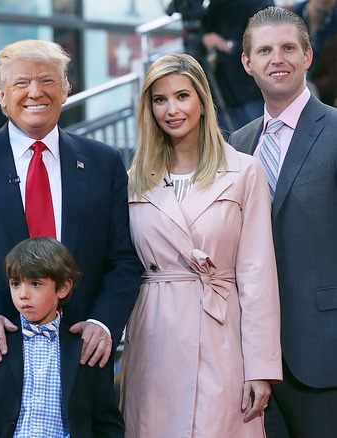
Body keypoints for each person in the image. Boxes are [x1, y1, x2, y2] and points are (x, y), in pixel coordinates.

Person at [0, 39, 142, 426]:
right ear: (1, 95)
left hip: (78, 375)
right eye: (21, 83)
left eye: (47, 81)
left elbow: (123, 259)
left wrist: (104, 324)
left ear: (66, 90)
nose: (35, 92)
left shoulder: (104, 163)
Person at [122, 52, 282, 438]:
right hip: (155, 336)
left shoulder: (245, 171)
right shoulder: (133, 179)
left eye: (182, 96)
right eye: (159, 99)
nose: (171, 109)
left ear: (202, 101)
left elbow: (258, 275)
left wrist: (260, 367)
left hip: (223, 335)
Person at [230, 6, 337, 437]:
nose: (278, 59)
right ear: (247, 63)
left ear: (308, 56)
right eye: (265, 50)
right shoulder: (237, 145)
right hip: (252, 361)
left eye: (289, 48)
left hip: (323, 353)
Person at [0, 237, 124, 438]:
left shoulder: (85, 347)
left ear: (63, 288)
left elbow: (107, 425)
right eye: (15, 284)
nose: (23, 294)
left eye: (35, 284)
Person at [201, 0, 273, 130]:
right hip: (226, 93)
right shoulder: (215, 7)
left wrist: (226, 45)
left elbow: (267, 44)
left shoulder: (258, 4)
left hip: (254, 90)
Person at [293, 0, 337, 105]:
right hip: (287, 85)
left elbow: (333, 78)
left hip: (322, 98)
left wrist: (311, 87)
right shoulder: (291, 16)